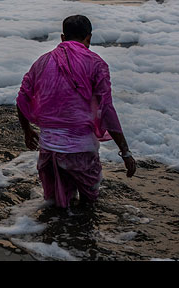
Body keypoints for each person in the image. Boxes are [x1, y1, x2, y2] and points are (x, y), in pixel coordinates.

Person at [16, 15, 136, 209]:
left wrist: (27, 131)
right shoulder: (96, 64)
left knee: (56, 209)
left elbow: (22, 98)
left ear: (63, 37)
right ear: (89, 38)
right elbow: (106, 109)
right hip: (81, 153)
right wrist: (125, 151)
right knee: (89, 209)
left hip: (48, 151)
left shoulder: (42, 62)